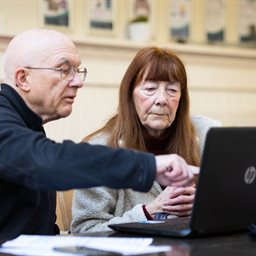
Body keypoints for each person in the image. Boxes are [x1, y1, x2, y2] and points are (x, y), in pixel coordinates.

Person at [0, 30, 196, 240]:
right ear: (23, 78)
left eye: (78, 71)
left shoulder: (28, 124)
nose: (78, 81)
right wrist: (150, 167)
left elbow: (38, 231)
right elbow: (45, 161)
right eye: (64, 70)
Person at [71, 47, 221, 233]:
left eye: (172, 90)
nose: (162, 99)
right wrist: (149, 212)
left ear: (181, 98)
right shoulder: (100, 149)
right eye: (150, 88)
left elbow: (238, 203)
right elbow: (84, 231)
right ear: (130, 94)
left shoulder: (208, 134)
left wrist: (203, 204)